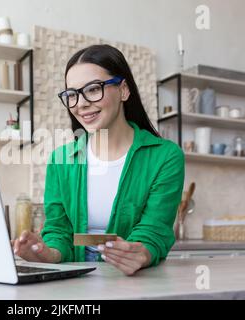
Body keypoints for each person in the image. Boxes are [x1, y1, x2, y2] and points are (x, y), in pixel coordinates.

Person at [12, 44, 185, 276]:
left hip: (134, 280)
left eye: (93, 89)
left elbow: (154, 229)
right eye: (72, 94)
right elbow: (59, 230)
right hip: (76, 281)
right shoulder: (61, 159)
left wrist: (141, 252)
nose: (80, 104)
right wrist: (48, 254)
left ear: (123, 90)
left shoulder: (165, 156)